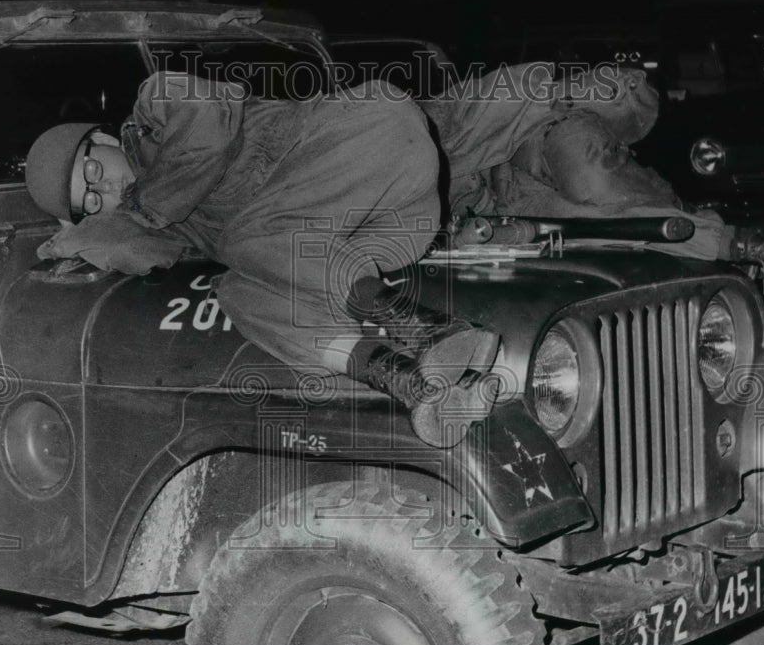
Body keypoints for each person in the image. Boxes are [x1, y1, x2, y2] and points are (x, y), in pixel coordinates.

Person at [25, 72, 498, 447]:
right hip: (374, 234)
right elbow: (134, 250)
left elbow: (207, 127)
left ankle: (422, 327)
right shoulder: (163, 222)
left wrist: (137, 208)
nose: (104, 188)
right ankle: (406, 378)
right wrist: (79, 237)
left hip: (370, 138)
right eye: (89, 200)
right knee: (238, 293)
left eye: (93, 171)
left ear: (105, 139)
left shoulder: (155, 103)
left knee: (244, 243)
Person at [421, 62, 764, 321]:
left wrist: (568, 96)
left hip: (531, 132)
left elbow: (497, 108)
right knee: (606, 227)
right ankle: (759, 247)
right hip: (502, 199)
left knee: (592, 178)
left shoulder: (412, 119)